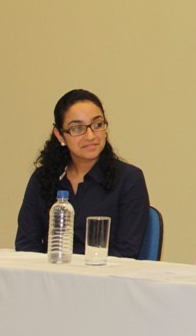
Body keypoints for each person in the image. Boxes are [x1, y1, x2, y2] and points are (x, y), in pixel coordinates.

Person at [16, 89, 150, 257]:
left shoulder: (129, 179)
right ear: (60, 136)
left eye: (97, 125)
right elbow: (26, 246)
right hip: (51, 277)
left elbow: (126, 252)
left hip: (103, 279)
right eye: (77, 128)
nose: (90, 136)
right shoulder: (43, 179)